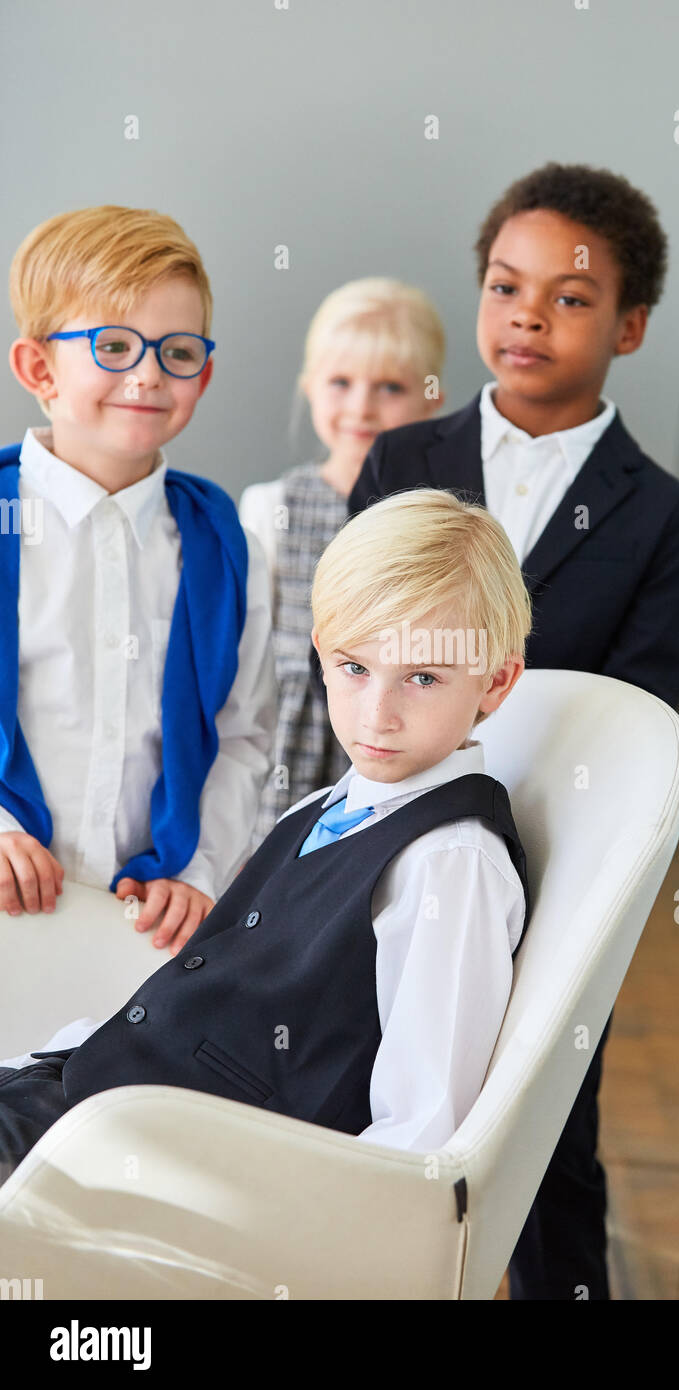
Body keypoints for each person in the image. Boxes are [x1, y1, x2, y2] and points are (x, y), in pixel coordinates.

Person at [320, 162, 679, 1299]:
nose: (528, 315)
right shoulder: (404, 461)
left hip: (549, 861)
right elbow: (344, 642)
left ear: (629, 326)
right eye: (504, 285)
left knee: (545, 1120)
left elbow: (639, 715)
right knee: (377, 1075)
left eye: (570, 297)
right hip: (393, 824)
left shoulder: (658, 511)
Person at [0, 489, 532, 1182]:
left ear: (495, 683)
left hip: (175, 1170)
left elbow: (422, 1130)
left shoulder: (450, 864)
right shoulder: (315, 810)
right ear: (320, 652)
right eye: (355, 668)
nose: (378, 715)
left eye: (423, 678)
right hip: (89, 1108)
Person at [0, 205, 276, 955]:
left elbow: (240, 736)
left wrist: (202, 870)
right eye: (114, 345)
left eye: (177, 351)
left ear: (203, 373)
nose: (149, 374)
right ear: (38, 369)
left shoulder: (226, 548)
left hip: (141, 933)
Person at [239, 278, 446, 849]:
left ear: (432, 399)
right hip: (286, 737)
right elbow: (249, 645)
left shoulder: (438, 521)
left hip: (394, 728)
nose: (361, 406)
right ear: (309, 386)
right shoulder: (270, 506)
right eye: (340, 383)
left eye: (389, 387)